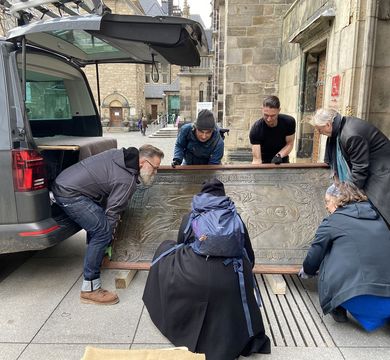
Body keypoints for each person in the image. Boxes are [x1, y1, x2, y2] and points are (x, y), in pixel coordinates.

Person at [143, 179, 271, 360]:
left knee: (166, 247)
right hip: (231, 275)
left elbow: (180, 244)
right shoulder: (235, 217)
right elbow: (248, 254)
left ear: (202, 195)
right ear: (223, 195)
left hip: (195, 276)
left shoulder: (191, 216)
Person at [52, 145, 164, 305]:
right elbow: (112, 213)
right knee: (102, 231)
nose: (155, 172)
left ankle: (97, 257)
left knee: (99, 224)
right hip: (70, 193)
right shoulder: (127, 180)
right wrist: (108, 241)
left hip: (66, 182)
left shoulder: (122, 156)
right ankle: (90, 289)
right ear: (142, 162)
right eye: (154, 168)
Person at [299, 182, 390, 331]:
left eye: (327, 202)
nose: (327, 207)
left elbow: (314, 255)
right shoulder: (381, 219)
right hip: (388, 301)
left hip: (356, 299)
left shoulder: (332, 221)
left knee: (327, 251)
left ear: (338, 200)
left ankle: (338, 306)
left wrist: (308, 270)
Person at [310, 108, 390, 225]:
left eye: (319, 129)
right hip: (373, 167)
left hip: (382, 171)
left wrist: (346, 195)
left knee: (381, 211)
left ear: (327, 124)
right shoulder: (342, 127)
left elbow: (360, 169)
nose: (319, 132)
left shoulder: (351, 135)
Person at [249, 95, 296, 164]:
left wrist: (279, 156)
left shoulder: (289, 122)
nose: (269, 119)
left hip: (282, 161)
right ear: (262, 109)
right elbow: (257, 160)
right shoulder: (256, 129)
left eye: (273, 116)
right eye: (266, 115)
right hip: (263, 163)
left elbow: (289, 144)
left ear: (279, 110)